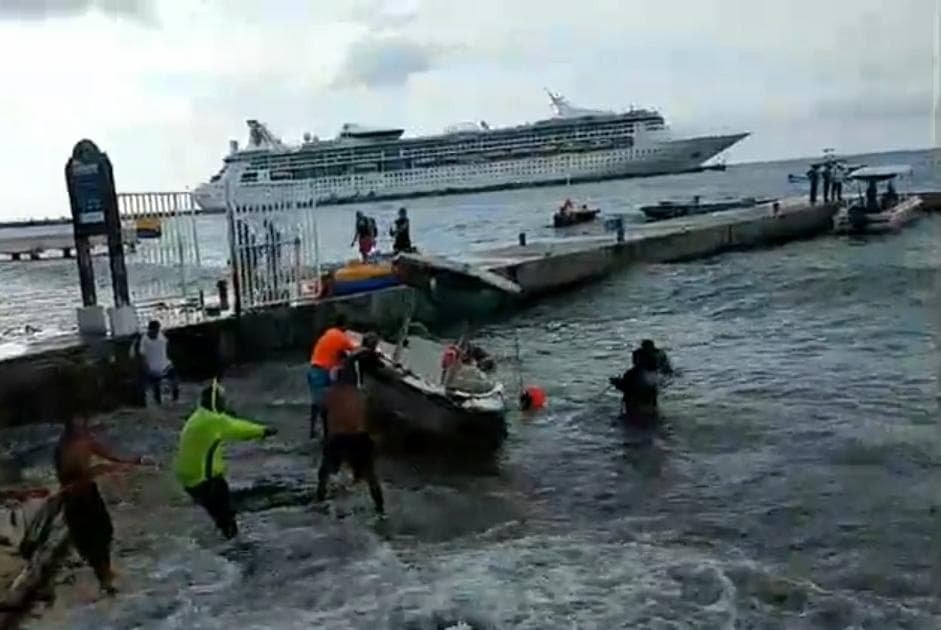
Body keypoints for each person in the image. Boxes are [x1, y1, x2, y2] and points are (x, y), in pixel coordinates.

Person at [54, 413, 151, 595]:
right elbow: (72, 476)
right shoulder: (67, 448)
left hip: (90, 493)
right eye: (83, 428)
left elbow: (107, 454)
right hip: (76, 498)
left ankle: (105, 572)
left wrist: (130, 461)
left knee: (105, 531)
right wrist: (102, 470)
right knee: (90, 539)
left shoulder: (85, 441)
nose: (87, 431)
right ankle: (104, 579)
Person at [173, 376, 277, 540]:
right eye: (223, 399)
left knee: (217, 515)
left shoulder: (199, 416)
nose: (225, 402)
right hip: (205, 479)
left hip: (189, 480)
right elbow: (239, 428)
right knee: (227, 519)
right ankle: (232, 547)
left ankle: (219, 539)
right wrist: (264, 430)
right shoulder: (214, 421)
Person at [316, 335, 385, 515]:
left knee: (325, 472)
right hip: (357, 435)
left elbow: (324, 413)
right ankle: (380, 509)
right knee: (371, 476)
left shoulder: (331, 392)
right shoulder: (358, 394)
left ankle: (319, 500)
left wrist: (326, 436)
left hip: (338, 435)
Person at [307, 314, 357, 438]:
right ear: (344, 325)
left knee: (317, 402)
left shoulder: (329, 333)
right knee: (325, 403)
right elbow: (356, 349)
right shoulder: (340, 337)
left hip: (315, 369)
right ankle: (326, 434)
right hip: (322, 371)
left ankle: (314, 430)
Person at [134, 320, 179, 406]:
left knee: (174, 381)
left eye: (158, 330)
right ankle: (156, 402)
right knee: (155, 387)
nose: (156, 332)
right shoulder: (144, 340)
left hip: (165, 364)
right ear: (150, 330)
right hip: (152, 367)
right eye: (155, 330)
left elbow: (167, 346)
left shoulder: (161, 336)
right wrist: (145, 367)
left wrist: (169, 358)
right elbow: (142, 355)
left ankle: (175, 399)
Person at [609, 349, 659, 425]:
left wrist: (616, 382)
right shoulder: (652, 373)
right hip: (650, 407)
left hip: (634, 407)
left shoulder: (632, 373)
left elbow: (626, 387)